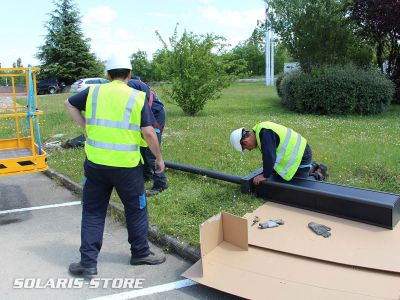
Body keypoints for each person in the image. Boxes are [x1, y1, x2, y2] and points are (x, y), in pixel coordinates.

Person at [64, 55, 166, 277]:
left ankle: (88, 263)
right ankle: (140, 253)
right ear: (129, 75)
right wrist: (158, 158)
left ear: (107, 75)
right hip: (127, 168)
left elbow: (69, 103)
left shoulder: (94, 92)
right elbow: (148, 132)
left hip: (96, 165)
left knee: (93, 211)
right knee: (136, 208)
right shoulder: (136, 96)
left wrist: (85, 126)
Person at [230, 121, 328, 185]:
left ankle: (319, 174)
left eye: (246, 149)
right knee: (283, 175)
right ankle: (313, 166)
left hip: (302, 156)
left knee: (299, 184)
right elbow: (269, 156)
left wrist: (265, 176)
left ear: (245, 142)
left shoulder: (265, 134)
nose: (250, 150)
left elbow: (269, 156)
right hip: (301, 153)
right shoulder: (261, 130)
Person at [127, 76, 167, 197]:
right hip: (148, 114)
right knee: (142, 147)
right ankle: (146, 175)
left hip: (155, 115)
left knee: (151, 151)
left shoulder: (130, 84)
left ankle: (160, 184)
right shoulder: (134, 82)